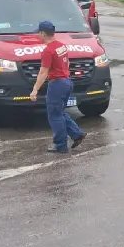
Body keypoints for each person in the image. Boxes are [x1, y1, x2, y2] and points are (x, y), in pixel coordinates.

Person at [29, 21, 86, 153]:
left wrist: (35, 89)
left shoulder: (48, 51)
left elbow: (43, 72)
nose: (38, 35)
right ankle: (77, 134)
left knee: (54, 115)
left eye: (39, 33)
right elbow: (68, 63)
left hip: (57, 84)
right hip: (67, 82)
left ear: (43, 33)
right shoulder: (61, 46)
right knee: (59, 112)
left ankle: (60, 145)